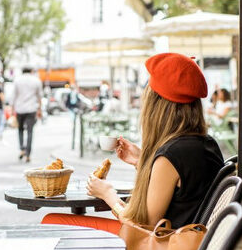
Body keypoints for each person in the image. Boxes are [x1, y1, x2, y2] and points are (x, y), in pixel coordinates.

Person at [42, 53, 224, 233]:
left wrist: (108, 194)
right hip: (189, 245)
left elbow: (142, 227)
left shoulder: (171, 156)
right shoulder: (207, 144)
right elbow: (184, 195)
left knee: (52, 222)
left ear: (157, 106)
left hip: (163, 249)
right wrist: (142, 161)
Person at [11, 68, 43, 162]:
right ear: (31, 71)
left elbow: (14, 96)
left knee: (20, 129)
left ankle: (22, 149)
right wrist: (39, 109)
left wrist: (13, 109)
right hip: (31, 109)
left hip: (19, 109)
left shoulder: (17, 80)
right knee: (30, 131)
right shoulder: (36, 80)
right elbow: (39, 96)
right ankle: (28, 155)